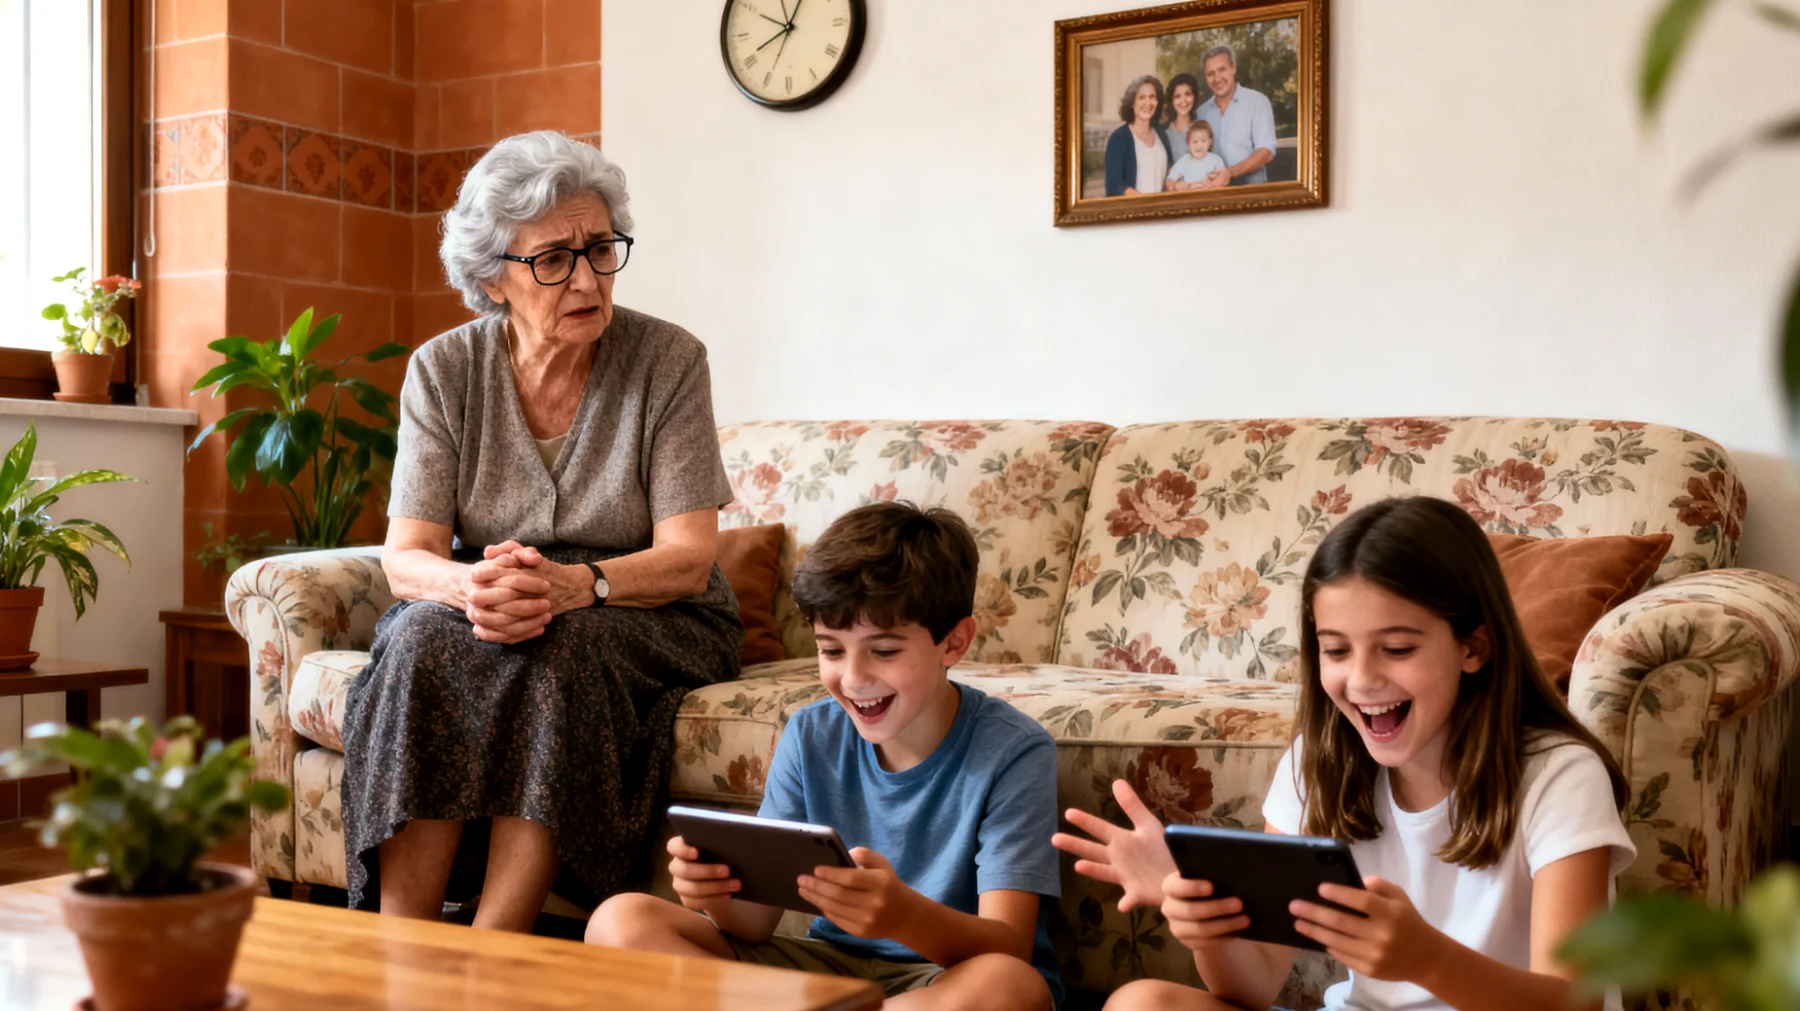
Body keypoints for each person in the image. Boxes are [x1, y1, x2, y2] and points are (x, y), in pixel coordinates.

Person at [339, 130, 745, 929]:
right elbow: (408, 556)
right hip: (498, 593)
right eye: (554, 259)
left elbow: (689, 557)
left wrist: (577, 585)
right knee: (417, 639)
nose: (587, 278)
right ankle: (398, 947)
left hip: (650, 609)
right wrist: (477, 588)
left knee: (558, 648)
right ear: (493, 277)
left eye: (599, 249)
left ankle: (498, 946)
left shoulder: (669, 360)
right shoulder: (444, 370)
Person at [1053, 496, 1636, 1011]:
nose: (1361, 679)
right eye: (1336, 651)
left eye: (1397, 648)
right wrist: (1207, 924)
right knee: (1143, 1003)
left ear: (1473, 647)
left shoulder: (1559, 775)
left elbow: (1574, 1003)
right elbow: (1255, 985)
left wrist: (1428, 960)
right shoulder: (1317, 765)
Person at [587, 502, 1063, 1010]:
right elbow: (754, 923)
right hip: (824, 971)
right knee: (621, 920)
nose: (853, 678)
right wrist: (715, 894)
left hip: (944, 977)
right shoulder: (810, 733)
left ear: (954, 642)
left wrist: (902, 917)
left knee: (1009, 985)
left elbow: (1009, 946)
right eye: (832, 650)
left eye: (884, 651)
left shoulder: (1014, 750)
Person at [1194, 44, 1279, 187]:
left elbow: (1267, 151)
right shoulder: (1202, 113)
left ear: (1233, 68)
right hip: (1213, 189)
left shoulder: (1257, 102)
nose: (1217, 78)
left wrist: (1230, 172)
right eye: (1211, 73)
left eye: (1222, 70)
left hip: (1251, 187)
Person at [1104, 74, 1176, 197]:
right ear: (1132, 102)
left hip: (1161, 208)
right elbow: (1114, 185)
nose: (1148, 102)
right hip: (1133, 208)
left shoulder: (1161, 134)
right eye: (1141, 97)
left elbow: (1168, 173)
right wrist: (1145, 202)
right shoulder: (1118, 138)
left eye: (1152, 97)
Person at [1164, 120, 1227, 192]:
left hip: (1210, 195)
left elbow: (1223, 178)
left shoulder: (1215, 160)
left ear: (1210, 142)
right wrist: (1178, 186)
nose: (1199, 146)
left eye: (1203, 141)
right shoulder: (1183, 161)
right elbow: (1170, 181)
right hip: (1190, 196)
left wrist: (1213, 183)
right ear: (1188, 143)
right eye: (1195, 142)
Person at [1160, 73, 1205, 160]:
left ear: (1194, 96)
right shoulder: (1164, 133)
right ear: (1171, 100)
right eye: (1177, 96)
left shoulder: (1203, 128)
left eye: (1187, 94)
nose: (1183, 101)